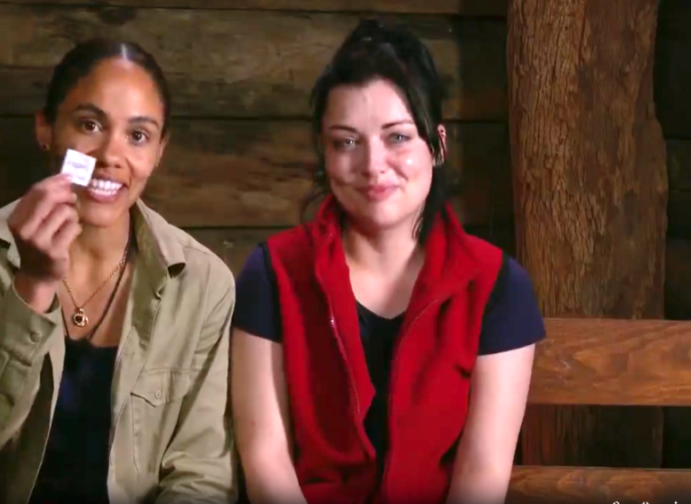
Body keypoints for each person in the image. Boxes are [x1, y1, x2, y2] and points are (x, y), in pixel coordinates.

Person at [230, 19, 545, 504]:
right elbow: (266, 459)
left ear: (437, 144)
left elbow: (481, 473)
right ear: (325, 153)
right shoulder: (273, 272)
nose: (372, 165)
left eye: (397, 137)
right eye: (346, 142)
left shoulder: (497, 284)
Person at [0, 38, 237, 504]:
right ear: (46, 129)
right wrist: (33, 285)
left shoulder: (204, 281)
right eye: (90, 125)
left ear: (158, 152)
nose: (110, 156)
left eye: (137, 136)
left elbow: (202, 473)